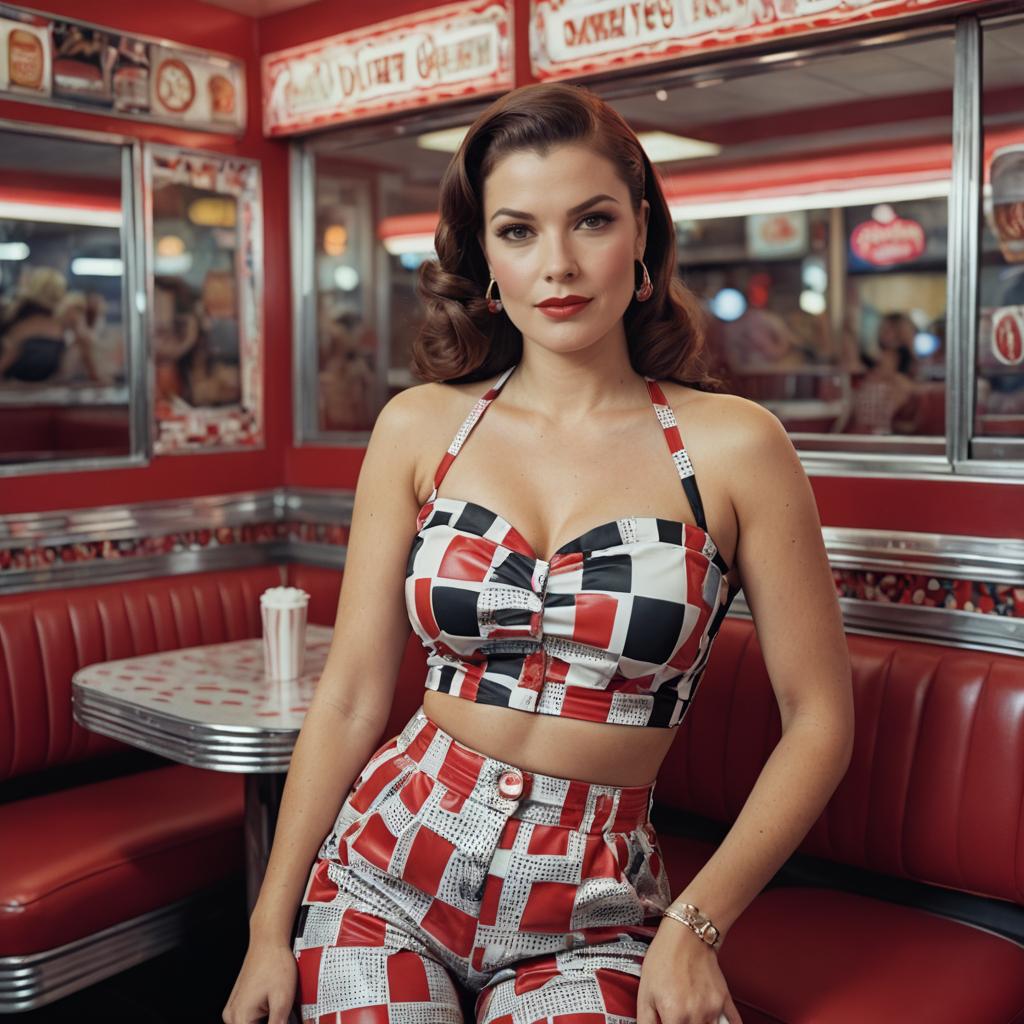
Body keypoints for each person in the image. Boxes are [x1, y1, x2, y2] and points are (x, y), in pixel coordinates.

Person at [223, 82, 854, 1024]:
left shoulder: (733, 447)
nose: (558, 265)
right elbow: (353, 697)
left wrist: (694, 926)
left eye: (591, 220)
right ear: (485, 255)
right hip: (386, 867)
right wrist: (267, 932)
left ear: (640, 231)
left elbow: (819, 720)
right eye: (518, 231)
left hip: (591, 905)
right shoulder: (420, 428)